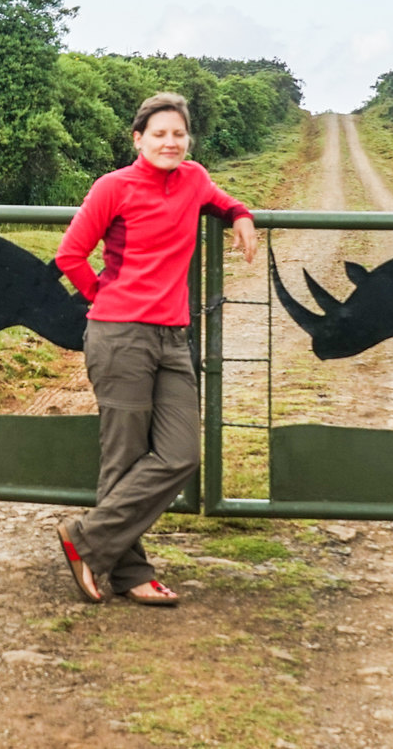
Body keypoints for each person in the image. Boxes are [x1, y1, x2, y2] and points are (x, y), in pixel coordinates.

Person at [51, 91, 258, 605]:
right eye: (159, 134)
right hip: (120, 336)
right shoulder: (112, 187)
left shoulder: (193, 178)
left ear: (188, 139)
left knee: (181, 454)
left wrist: (241, 214)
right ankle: (131, 572)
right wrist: (107, 298)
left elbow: (221, 201)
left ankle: (86, 540)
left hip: (172, 337)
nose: (171, 142)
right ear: (138, 139)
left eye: (179, 134)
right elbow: (70, 254)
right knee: (122, 457)